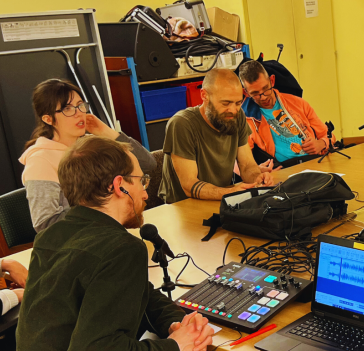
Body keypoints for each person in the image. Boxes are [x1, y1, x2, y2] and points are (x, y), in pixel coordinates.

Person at [17, 136, 276, 351]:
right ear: (118, 186)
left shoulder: (55, 235)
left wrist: (176, 321)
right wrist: (175, 349)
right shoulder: (119, 248)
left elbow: (136, 292)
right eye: (141, 181)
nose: (145, 192)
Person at [20, 79, 156, 232]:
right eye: (68, 108)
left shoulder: (91, 145)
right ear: (48, 119)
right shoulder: (40, 159)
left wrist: (107, 133)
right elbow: (45, 224)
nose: (79, 113)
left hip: (114, 228)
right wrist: (100, 210)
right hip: (84, 237)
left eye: (80, 105)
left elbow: (147, 164)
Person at [158, 68, 275, 203]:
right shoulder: (182, 124)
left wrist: (257, 178)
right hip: (182, 205)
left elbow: (247, 165)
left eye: (238, 103)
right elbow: (189, 185)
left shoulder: (238, 117)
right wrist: (229, 193)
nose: (233, 110)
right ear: (204, 95)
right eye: (226, 103)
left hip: (220, 199)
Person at [239, 60, 332, 165]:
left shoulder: (298, 103)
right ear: (246, 93)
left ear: (272, 81)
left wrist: (321, 143)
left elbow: (329, 136)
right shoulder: (245, 120)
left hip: (316, 160)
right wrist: (257, 169)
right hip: (284, 169)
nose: (263, 97)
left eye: (265, 89)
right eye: (255, 94)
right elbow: (242, 161)